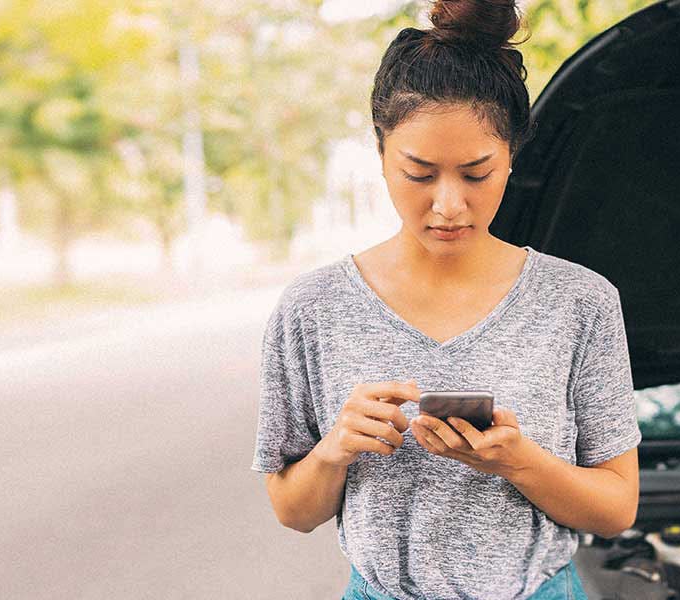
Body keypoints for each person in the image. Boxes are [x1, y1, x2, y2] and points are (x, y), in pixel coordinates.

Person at [250, 1, 641, 598]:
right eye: (420, 173)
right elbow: (292, 510)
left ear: (512, 155)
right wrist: (334, 451)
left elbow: (616, 508)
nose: (449, 204)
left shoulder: (580, 302)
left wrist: (517, 462)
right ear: (381, 154)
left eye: (476, 174)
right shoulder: (313, 309)